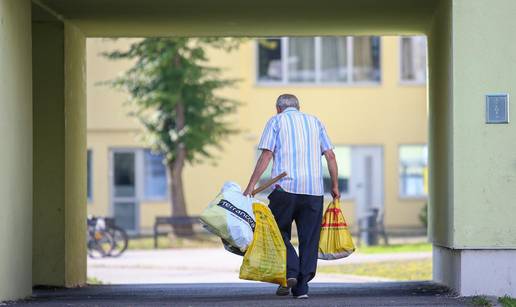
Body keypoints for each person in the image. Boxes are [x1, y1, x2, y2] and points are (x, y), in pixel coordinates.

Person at [243, 94, 339, 299]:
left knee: (277, 233)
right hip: (314, 191)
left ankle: (290, 271)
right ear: (298, 107)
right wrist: (336, 186)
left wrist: (251, 185)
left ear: (278, 108)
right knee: (309, 239)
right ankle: (301, 288)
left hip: (285, 189)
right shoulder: (315, 121)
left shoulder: (276, 121)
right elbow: (330, 155)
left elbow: (267, 155)